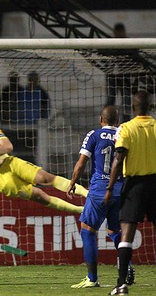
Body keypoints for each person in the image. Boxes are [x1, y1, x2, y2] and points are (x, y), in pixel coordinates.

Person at [0, 58, 87, 213]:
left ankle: (88, 195)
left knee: (45, 178)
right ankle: (80, 210)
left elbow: (8, 146)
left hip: (9, 162)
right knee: (39, 195)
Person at [66, 106, 132, 288]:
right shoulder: (124, 134)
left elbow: (81, 163)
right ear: (117, 121)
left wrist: (72, 182)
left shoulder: (94, 135)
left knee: (87, 230)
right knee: (115, 231)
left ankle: (92, 278)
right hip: (120, 190)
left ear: (100, 120)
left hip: (99, 190)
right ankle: (127, 265)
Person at [104, 91, 156, 295]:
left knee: (127, 233)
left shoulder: (126, 128)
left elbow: (119, 158)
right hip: (155, 182)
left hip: (134, 184)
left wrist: (109, 188)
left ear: (133, 108)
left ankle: (121, 285)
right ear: (150, 106)